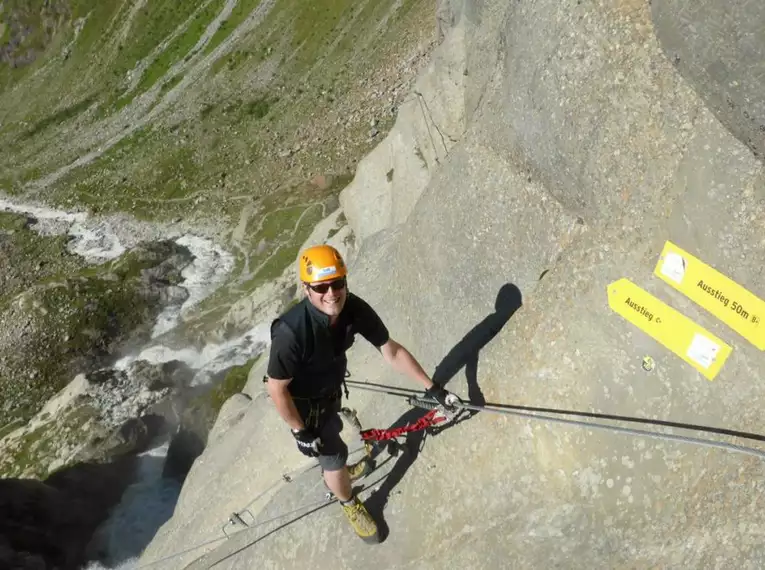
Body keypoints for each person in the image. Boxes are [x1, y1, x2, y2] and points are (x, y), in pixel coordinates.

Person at [264, 244, 460, 544]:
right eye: (321, 287)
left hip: (329, 391)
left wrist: (432, 388)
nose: (331, 293)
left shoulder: (353, 308)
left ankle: (337, 473)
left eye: (338, 283)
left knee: (336, 433)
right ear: (306, 289)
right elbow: (276, 387)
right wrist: (299, 431)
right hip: (305, 407)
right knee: (334, 453)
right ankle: (347, 501)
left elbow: (390, 349)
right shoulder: (292, 333)